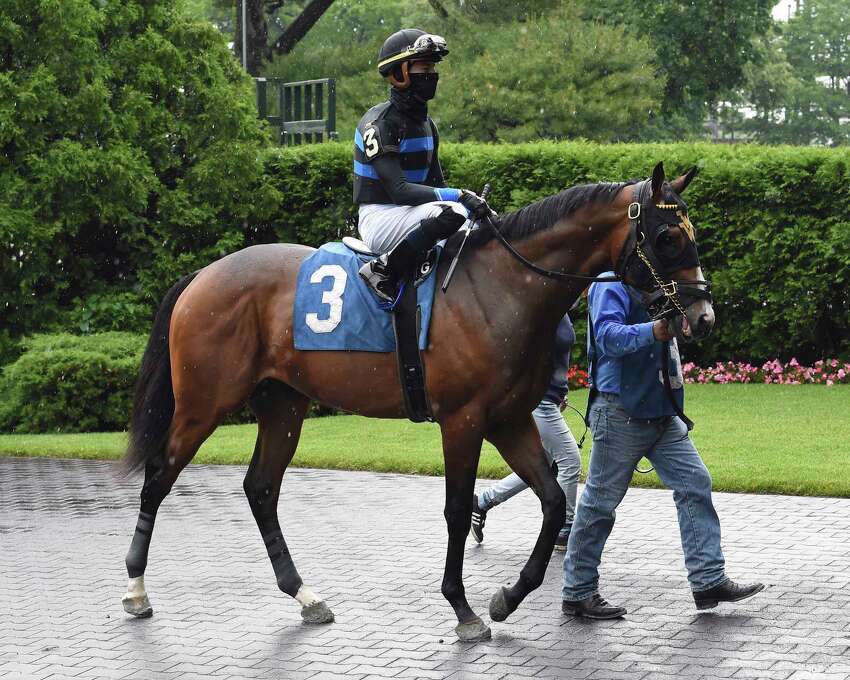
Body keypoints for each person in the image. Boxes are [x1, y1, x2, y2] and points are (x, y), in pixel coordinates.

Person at [561, 274, 764, 619]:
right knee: (599, 504)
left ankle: (708, 581)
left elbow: (667, 329)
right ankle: (577, 592)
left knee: (694, 482)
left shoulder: (655, 282)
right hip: (619, 410)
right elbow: (608, 337)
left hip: (660, 410)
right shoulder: (610, 283)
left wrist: (681, 327)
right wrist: (654, 331)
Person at [353, 28, 493, 302]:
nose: (431, 74)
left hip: (413, 214)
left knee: (486, 221)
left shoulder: (428, 125)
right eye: (424, 67)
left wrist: (469, 204)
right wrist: (460, 195)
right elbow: (400, 191)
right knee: (452, 212)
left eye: (433, 67)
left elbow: (436, 186)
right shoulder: (379, 124)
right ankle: (383, 271)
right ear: (399, 73)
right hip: (380, 217)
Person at [470, 314, 581, 551]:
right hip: (538, 401)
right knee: (570, 460)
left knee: (541, 464)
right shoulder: (541, 311)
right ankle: (565, 527)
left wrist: (559, 390)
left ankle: (482, 502)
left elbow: (557, 356)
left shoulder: (561, 309)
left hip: (549, 398)